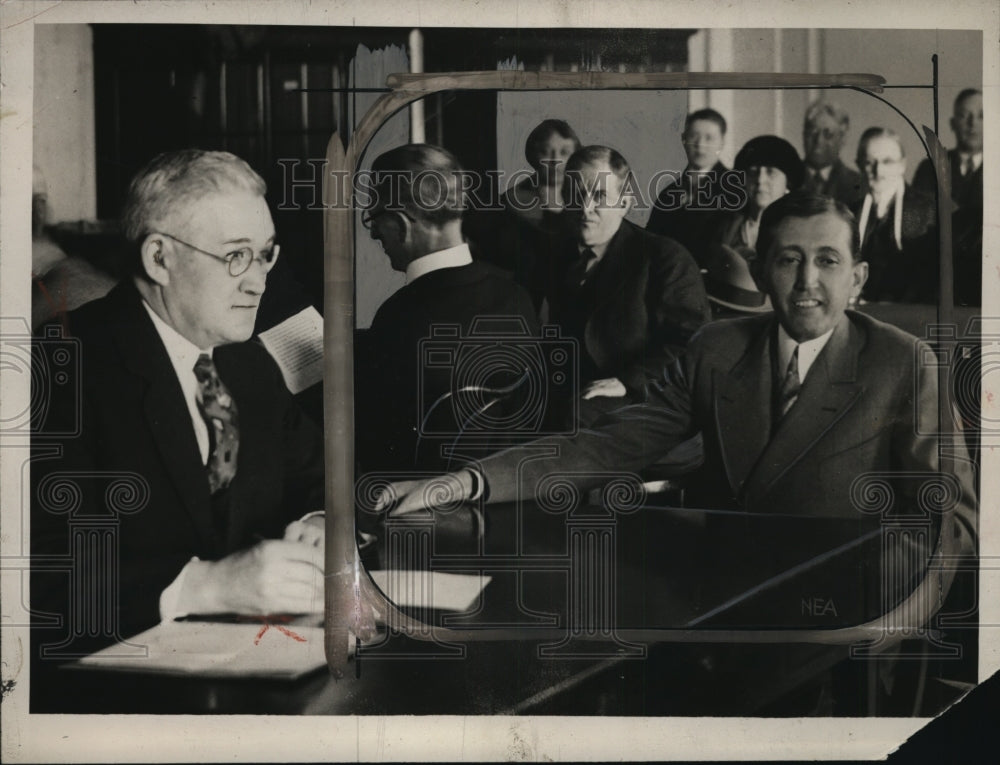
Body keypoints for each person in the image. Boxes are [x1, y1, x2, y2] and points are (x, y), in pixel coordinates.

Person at [383, 191, 975, 569]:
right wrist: (465, 481)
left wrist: (864, 596)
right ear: (761, 271)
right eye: (788, 260)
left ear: (859, 277)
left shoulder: (905, 363)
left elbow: (953, 525)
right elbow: (607, 444)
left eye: (828, 260)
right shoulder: (717, 347)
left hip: (844, 625)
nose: (807, 282)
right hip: (721, 603)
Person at [31, 150, 326, 660]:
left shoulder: (248, 364)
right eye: (236, 255)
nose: (258, 281)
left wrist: (320, 522)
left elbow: (318, 476)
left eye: (265, 255)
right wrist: (207, 586)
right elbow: (36, 578)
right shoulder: (60, 368)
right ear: (159, 259)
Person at [356, 143, 541, 473]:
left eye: (375, 218)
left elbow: (374, 437)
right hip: (502, 488)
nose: (373, 233)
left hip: (414, 493)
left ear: (401, 223)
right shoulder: (516, 297)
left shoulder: (396, 318)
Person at [543, 145, 710, 414]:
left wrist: (628, 381)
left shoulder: (665, 257)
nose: (585, 207)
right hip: (566, 391)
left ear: (624, 203)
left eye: (599, 196)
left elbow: (692, 340)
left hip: (642, 398)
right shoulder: (554, 254)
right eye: (576, 194)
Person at [912, 88, 983, 306]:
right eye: (964, 115)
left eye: (981, 116)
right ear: (952, 123)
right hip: (935, 283)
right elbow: (921, 226)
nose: (972, 124)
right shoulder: (930, 168)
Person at [853, 127, 936, 303]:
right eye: (869, 162)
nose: (878, 171)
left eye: (887, 161)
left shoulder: (928, 211)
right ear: (858, 164)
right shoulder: (850, 212)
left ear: (902, 165)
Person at [645, 108, 733, 260]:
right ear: (684, 140)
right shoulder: (669, 192)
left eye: (709, 138)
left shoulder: (733, 189)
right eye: (694, 136)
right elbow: (653, 240)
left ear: (722, 143)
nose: (700, 145)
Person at [704, 135, 805, 263]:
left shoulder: (798, 229)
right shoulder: (724, 228)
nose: (760, 180)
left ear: (788, 184)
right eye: (753, 172)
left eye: (770, 172)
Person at [799, 100, 864, 208]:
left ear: (842, 139)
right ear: (804, 134)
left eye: (827, 134)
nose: (819, 141)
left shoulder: (858, 185)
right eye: (812, 132)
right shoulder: (786, 180)